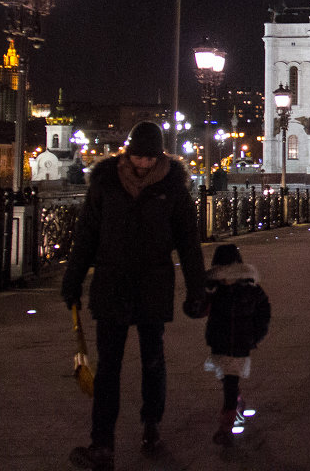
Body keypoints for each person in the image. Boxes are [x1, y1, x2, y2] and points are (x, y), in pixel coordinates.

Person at [62, 121, 206, 471]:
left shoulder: (172, 188)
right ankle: (101, 444)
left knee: (153, 360)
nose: (143, 164)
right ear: (128, 153)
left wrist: (197, 289)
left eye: (149, 158)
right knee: (108, 366)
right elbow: (87, 236)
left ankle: (151, 426)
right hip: (112, 284)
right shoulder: (106, 183)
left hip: (152, 285)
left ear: (159, 156)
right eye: (138, 156)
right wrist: (73, 279)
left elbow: (188, 242)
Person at [202, 243, 271, 446]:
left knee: (229, 383)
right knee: (227, 379)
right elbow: (264, 310)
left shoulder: (242, 288)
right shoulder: (221, 288)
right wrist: (256, 334)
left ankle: (226, 426)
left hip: (235, 344)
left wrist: (255, 335)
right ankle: (237, 403)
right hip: (225, 343)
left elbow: (263, 311)